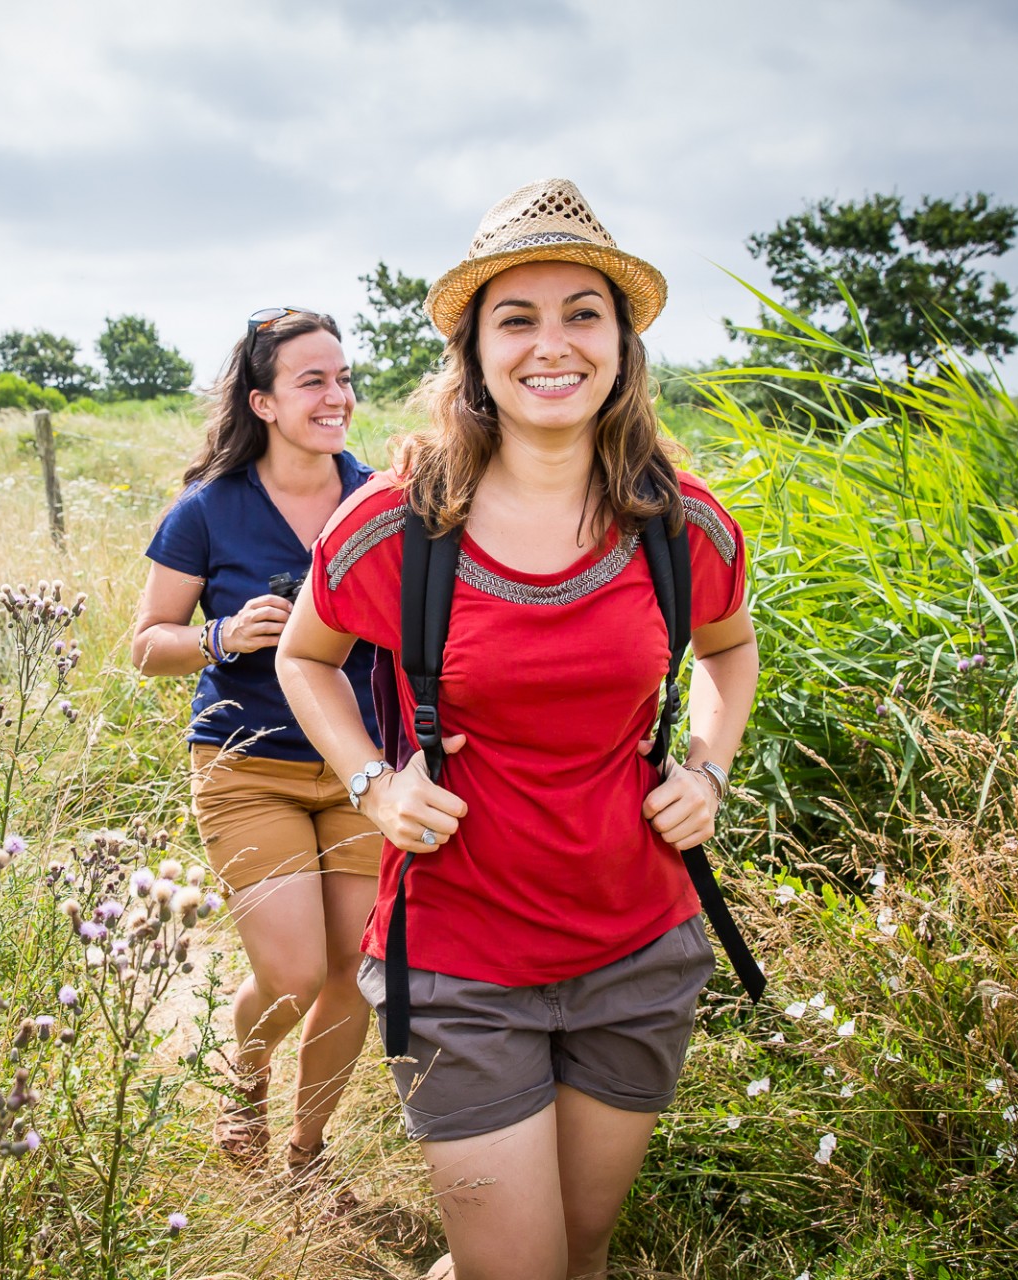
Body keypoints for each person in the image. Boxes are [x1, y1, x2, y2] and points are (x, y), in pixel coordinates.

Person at [275, 179, 759, 1280]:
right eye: (518, 317)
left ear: (623, 345)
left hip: (638, 947)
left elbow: (730, 650)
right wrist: (370, 782)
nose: (555, 344)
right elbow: (305, 659)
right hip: (458, 957)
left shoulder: (681, 522)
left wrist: (709, 768)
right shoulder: (396, 520)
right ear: (474, 352)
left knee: (580, 1252)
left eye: (583, 312)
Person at [130, 308, 384, 1176]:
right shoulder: (208, 511)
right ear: (264, 402)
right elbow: (145, 645)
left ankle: (307, 1154)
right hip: (249, 767)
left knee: (355, 968)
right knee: (295, 972)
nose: (336, 395)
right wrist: (223, 636)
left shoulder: (384, 502)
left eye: (343, 378)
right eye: (312, 380)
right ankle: (246, 1079)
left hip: (365, 769)